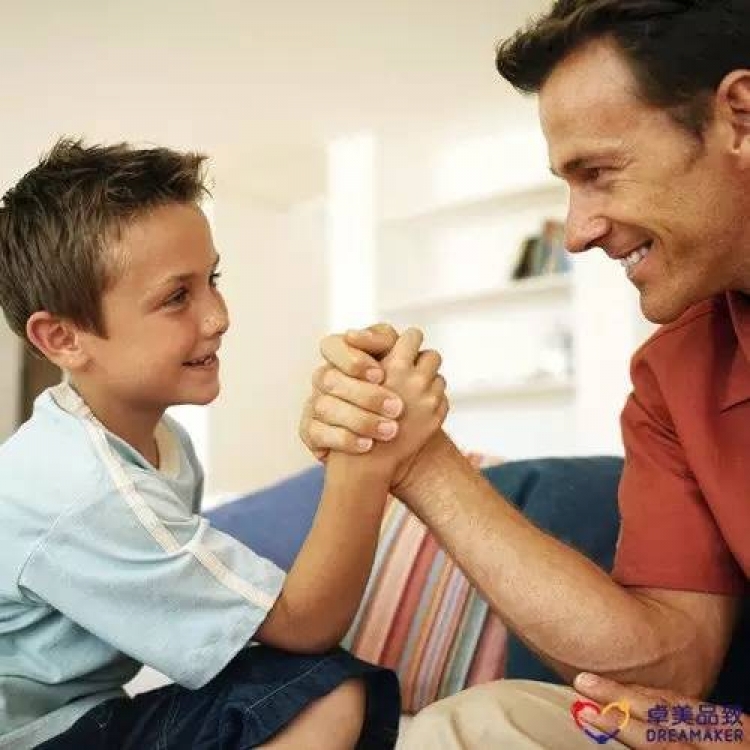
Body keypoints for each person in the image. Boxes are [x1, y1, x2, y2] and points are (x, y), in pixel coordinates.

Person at [299, 1, 750, 747]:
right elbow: (670, 677)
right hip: (721, 730)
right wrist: (419, 459)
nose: (576, 233)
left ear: (738, 116)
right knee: (484, 723)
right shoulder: (674, 372)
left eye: (598, 172)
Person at [0, 139, 448, 750]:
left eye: (212, 280)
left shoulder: (164, 443)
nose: (217, 316)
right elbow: (303, 623)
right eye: (176, 297)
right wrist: (363, 458)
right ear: (62, 339)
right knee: (321, 687)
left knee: (305, 686)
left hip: (89, 717)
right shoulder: (83, 487)